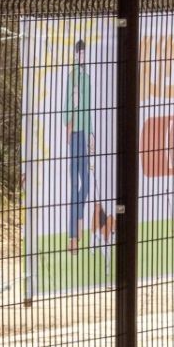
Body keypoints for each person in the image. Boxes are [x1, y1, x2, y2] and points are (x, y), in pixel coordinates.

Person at [65, 39, 94, 253]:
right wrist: (69, 128)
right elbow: (67, 105)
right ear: (75, 55)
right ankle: (73, 236)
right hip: (74, 132)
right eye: (79, 53)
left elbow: (89, 108)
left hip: (84, 132)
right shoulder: (72, 77)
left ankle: (79, 219)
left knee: (86, 181)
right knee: (74, 184)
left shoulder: (87, 78)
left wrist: (91, 133)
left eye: (84, 53)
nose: (82, 56)